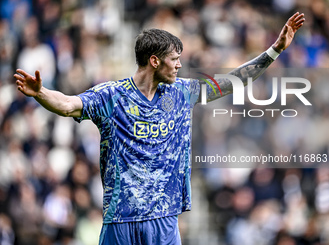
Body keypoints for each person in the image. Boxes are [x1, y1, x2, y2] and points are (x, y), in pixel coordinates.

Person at [14, 12, 305, 245]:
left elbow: (230, 81)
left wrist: (274, 51)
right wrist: (41, 93)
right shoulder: (111, 96)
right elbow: (68, 105)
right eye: (174, 59)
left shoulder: (182, 92)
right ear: (154, 61)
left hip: (164, 220)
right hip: (120, 220)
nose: (179, 65)